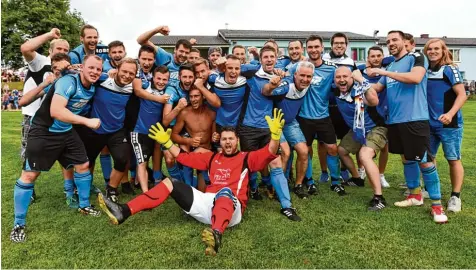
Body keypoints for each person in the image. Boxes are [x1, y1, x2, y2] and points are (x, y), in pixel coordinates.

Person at [98, 109, 285, 255]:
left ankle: (217, 233)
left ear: (237, 141)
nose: (228, 142)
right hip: (207, 204)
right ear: (220, 142)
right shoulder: (212, 158)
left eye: (231, 139)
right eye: (225, 139)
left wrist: (275, 137)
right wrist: (168, 143)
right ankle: (124, 211)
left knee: (225, 192)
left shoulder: (247, 158)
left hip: (232, 210)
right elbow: (185, 158)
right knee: (170, 182)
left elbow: (269, 152)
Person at [10, 55, 104, 243]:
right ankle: (18, 224)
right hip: (44, 131)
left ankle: (84, 205)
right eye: (91, 68)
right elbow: (57, 111)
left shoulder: (93, 84)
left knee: (83, 164)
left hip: (66, 131)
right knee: (30, 175)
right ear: (82, 68)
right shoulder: (69, 81)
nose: (95, 72)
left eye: (98, 69)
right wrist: (87, 121)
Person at [369, 30, 448, 223]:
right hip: (395, 120)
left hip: (415, 119)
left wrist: (382, 71)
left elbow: (416, 78)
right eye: (388, 41)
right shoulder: (393, 64)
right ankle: (415, 195)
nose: (391, 43)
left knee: (425, 160)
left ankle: (437, 207)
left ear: (405, 42)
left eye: (394, 40)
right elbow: (377, 89)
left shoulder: (416, 56)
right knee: (407, 158)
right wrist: (361, 84)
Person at [239, 46, 299, 220]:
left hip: (268, 128)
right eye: (266, 57)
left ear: (276, 59)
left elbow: (267, 92)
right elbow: (232, 68)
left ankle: (286, 205)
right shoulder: (250, 74)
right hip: (248, 127)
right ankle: (253, 189)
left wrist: (275, 82)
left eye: (272, 57)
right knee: (249, 165)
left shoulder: (283, 81)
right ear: (260, 59)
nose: (269, 59)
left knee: (275, 164)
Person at [291, 35, 345, 196]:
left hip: (323, 115)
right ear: (306, 49)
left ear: (322, 48)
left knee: (332, 148)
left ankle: (336, 181)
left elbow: (343, 80)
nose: (314, 50)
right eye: (310, 47)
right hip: (303, 116)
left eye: (317, 47)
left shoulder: (331, 68)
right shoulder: (299, 67)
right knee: (305, 151)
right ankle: (309, 182)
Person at [333, 67, 387, 210]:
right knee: (342, 150)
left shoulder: (359, 89)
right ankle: (357, 179)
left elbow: (374, 101)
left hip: (376, 128)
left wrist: (362, 80)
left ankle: (379, 197)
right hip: (357, 128)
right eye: (338, 77)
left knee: (364, 155)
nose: (342, 79)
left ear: (352, 78)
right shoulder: (335, 91)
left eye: (345, 76)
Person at [424, 38, 467, 212]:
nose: (432, 51)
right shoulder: (425, 70)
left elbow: (462, 95)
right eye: (429, 49)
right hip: (429, 124)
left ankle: (455, 197)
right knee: (428, 157)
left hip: (449, 123)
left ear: (443, 51)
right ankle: (429, 189)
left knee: (453, 159)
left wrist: (450, 114)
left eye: (436, 49)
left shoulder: (449, 69)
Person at [261, 61, 315, 198]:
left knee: (304, 151)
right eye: (302, 75)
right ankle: (278, 188)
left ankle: (298, 185)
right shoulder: (286, 85)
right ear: (295, 75)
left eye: (309, 76)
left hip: (290, 122)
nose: (305, 79)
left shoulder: (307, 85)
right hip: (275, 121)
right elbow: (267, 92)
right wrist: (273, 84)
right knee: (285, 152)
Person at [131, 65, 170, 193]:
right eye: (158, 78)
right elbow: (136, 89)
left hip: (155, 134)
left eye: (165, 79)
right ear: (153, 77)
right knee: (142, 162)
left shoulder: (168, 92)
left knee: (147, 160)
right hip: (139, 132)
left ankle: (141, 180)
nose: (161, 82)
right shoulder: (145, 85)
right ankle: (146, 193)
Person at [357, 46, 391, 188]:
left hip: (384, 112)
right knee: (361, 142)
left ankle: (381, 174)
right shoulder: (360, 71)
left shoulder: (388, 70)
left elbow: (398, 57)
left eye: (379, 55)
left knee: (384, 146)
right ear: (368, 58)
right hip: (364, 112)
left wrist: (378, 68)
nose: (376, 59)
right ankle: (361, 170)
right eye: (373, 56)